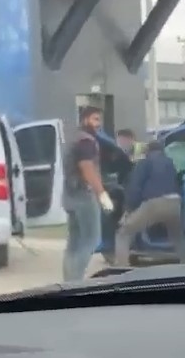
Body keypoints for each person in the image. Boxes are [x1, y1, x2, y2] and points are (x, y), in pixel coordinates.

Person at [114, 140, 185, 266]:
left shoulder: (144, 163)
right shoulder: (170, 163)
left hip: (154, 204)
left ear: (147, 151)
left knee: (124, 233)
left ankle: (122, 269)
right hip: (175, 202)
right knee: (177, 236)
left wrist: (128, 209)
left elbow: (135, 187)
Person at [62, 106, 114, 281]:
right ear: (85, 120)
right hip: (84, 195)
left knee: (74, 243)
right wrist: (102, 194)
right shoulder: (86, 140)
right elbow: (87, 167)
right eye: (95, 119)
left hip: (69, 195)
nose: (98, 124)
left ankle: (69, 282)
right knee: (90, 240)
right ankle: (76, 282)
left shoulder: (73, 138)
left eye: (99, 120)